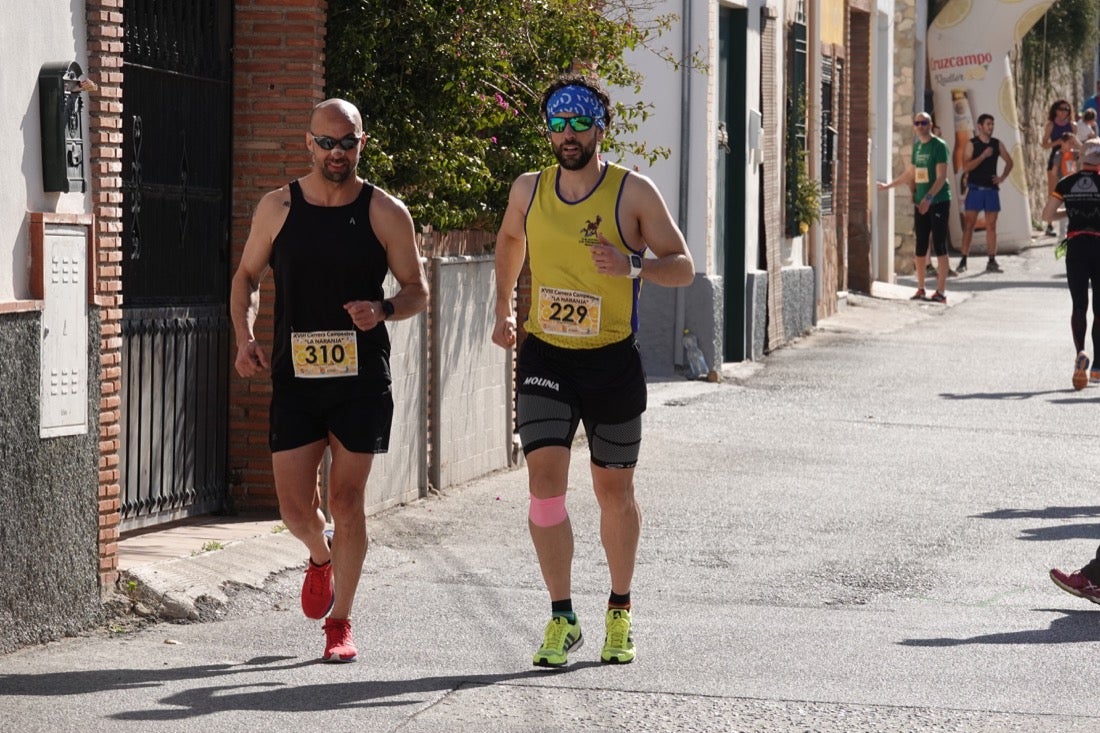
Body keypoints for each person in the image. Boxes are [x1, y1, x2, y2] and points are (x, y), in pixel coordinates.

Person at [491, 73, 695, 667]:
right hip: (546, 355)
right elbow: (509, 240)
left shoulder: (633, 193)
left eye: (581, 123)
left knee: (614, 492)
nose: (569, 134)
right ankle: (562, 616)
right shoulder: (529, 189)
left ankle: (619, 609)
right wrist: (504, 307)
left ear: (601, 129)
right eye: (559, 123)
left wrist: (633, 266)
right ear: (548, 130)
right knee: (543, 488)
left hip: (611, 360)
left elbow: (681, 265)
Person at [230, 98, 429, 662]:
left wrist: (383, 309)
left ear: (361, 143)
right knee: (295, 511)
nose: (335, 153)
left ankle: (340, 622)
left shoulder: (385, 212)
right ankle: (320, 556)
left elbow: (417, 289)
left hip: (361, 379)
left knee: (347, 499)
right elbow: (246, 277)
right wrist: (245, 337)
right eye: (325, 142)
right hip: (296, 378)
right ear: (308, 143)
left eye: (346, 142)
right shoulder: (277, 207)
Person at [1040, 137, 1100, 391]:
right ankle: (1097, 367)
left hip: (1076, 246)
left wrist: (1071, 210)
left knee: (1079, 305)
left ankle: (1080, 353)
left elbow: (1047, 215)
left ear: (1081, 158)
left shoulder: (1066, 183)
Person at [877, 111, 951, 303]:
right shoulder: (917, 147)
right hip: (921, 202)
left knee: (939, 245)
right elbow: (911, 173)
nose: (920, 126)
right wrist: (889, 186)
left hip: (938, 201)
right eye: (917, 123)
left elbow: (941, 177)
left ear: (930, 124)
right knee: (920, 245)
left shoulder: (939, 146)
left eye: (923, 123)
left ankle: (941, 292)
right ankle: (921, 288)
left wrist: (929, 197)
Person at [957, 113, 1014, 274]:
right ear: (980, 126)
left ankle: (991, 260)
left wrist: (1002, 177)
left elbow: (1010, 162)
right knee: (969, 225)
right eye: (988, 124)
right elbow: (966, 167)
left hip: (991, 190)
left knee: (991, 226)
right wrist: (982, 156)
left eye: (992, 124)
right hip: (975, 189)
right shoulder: (972, 144)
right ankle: (963, 260)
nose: (991, 127)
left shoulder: (996, 144)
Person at [1041, 99, 1077, 236]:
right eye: (1061, 109)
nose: (1064, 112)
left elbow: (1076, 142)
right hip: (1056, 158)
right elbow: (1044, 144)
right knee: (1053, 191)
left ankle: (1073, 220)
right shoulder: (1051, 125)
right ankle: (1049, 224)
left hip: (1070, 159)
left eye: (1067, 109)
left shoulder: (1072, 125)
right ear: (1055, 110)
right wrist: (1058, 142)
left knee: (1072, 189)